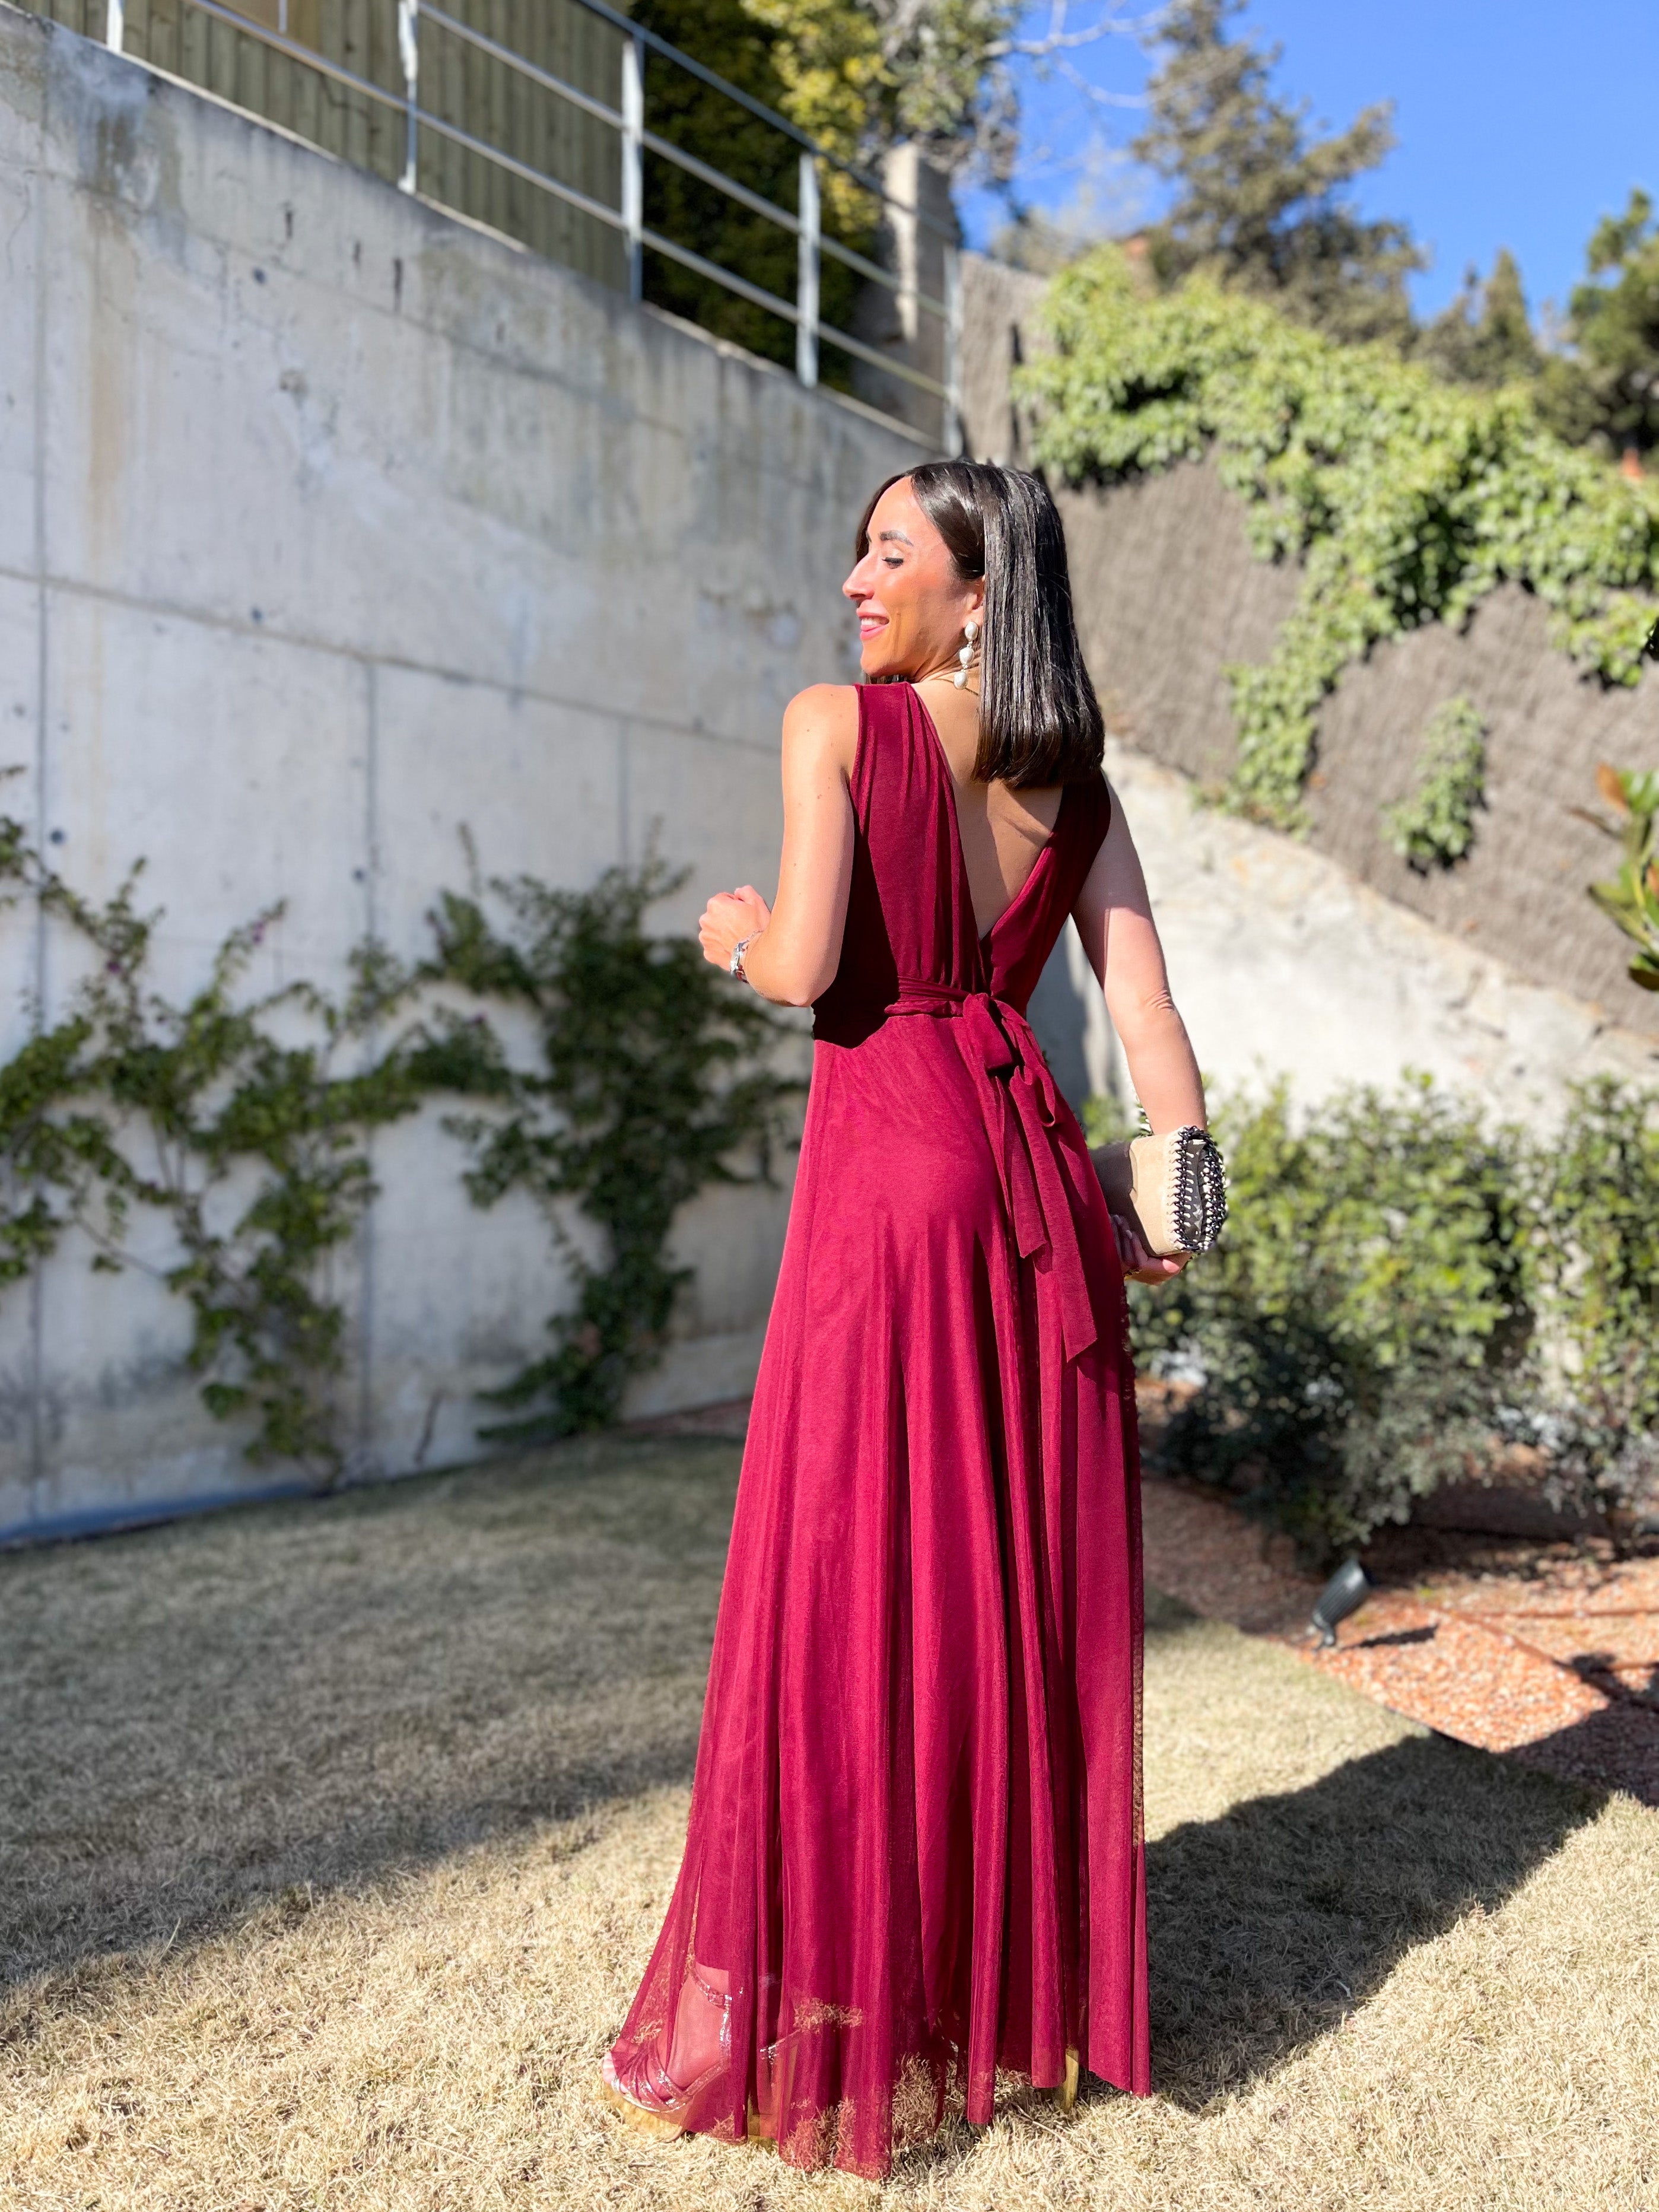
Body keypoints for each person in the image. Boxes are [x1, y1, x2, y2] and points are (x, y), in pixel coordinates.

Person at [599, 460, 1206, 2178]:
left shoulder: (837, 725)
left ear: (977, 591)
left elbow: (809, 970)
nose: (856, 581)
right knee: (1001, 1590)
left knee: (849, 1586)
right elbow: (1147, 1012)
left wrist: (736, 935)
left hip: (893, 1184)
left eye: (889, 553)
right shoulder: (1077, 787)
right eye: (858, 551)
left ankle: (858, 1977)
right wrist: (1175, 1205)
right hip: (1034, 1186)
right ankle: (999, 1986)